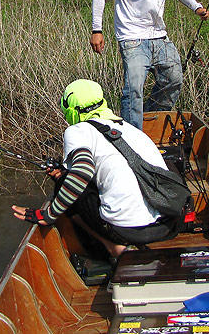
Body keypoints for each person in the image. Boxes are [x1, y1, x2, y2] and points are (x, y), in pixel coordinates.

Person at [11, 79, 178, 259]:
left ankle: (113, 247)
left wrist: (49, 214)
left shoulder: (77, 130)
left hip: (127, 232)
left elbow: (83, 172)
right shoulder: (130, 129)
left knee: (64, 186)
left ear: (71, 110)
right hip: (168, 224)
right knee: (72, 180)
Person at [90, 0, 209, 130]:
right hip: (132, 38)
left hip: (159, 35)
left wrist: (196, 7)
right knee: (134, 89)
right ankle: (132, 136)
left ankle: (150, 122)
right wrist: (96, 30)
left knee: (174, 79)